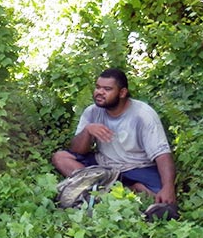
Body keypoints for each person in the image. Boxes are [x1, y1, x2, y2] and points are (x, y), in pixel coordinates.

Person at [52, 68, 177, 205]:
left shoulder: (143, 115)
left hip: (137, 168)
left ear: (122, 92)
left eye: (107, 89)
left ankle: (101, 189)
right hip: (104, 166)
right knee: (60, 158)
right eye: (98, 87)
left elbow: (162, 154)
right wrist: (88, 130)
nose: (99, 92)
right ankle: (121, 190)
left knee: (160, 194)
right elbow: (77, 150)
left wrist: (168, 187)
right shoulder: (92, 112)